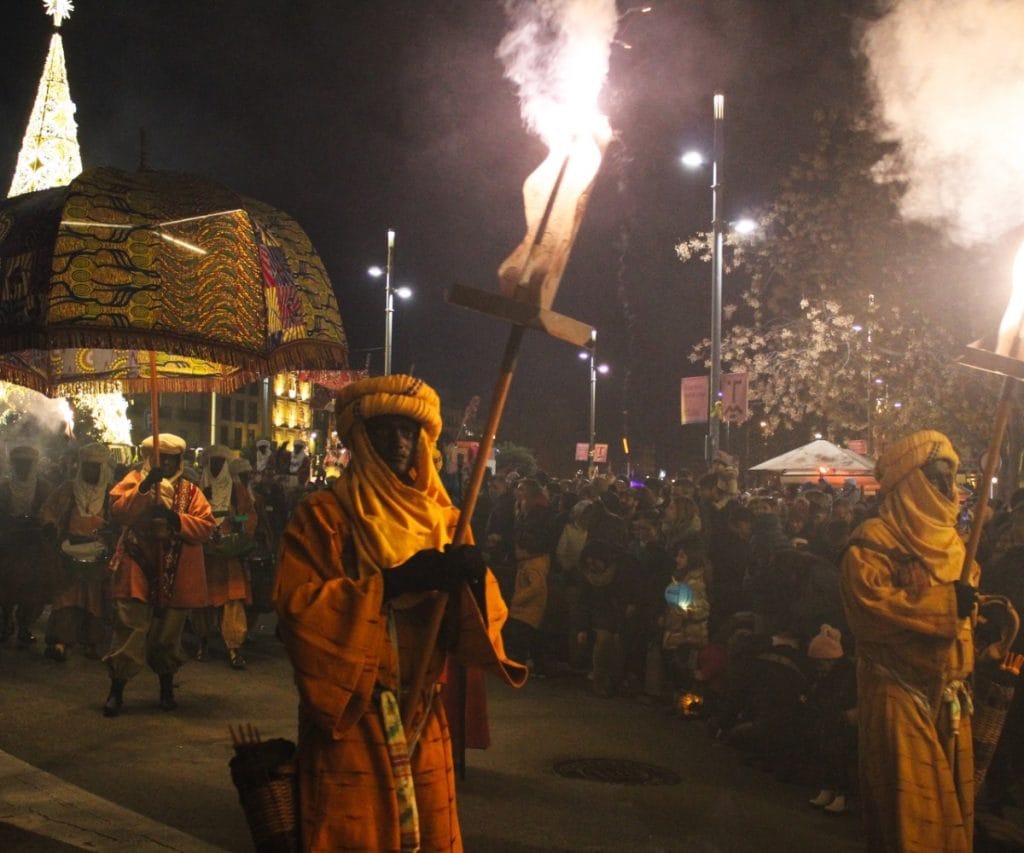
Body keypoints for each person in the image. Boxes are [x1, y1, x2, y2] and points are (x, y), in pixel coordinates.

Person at [273, 375, 525, 852]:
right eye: (385, 429)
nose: (398, 441)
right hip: (352, 719)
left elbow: (474, 631)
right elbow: (297, 612)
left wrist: (474, 579)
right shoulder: (323, 516)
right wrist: (391, 583)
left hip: (424, 716)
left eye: (409, 431)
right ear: (360, 439)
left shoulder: (449, 522)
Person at [840, 430, 978, 852]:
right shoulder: (873, 541)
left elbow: (964, 609)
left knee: (953, 816)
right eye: (936, 478)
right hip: (899, 691)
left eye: (950, 479)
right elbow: (871, 609)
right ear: (911, 481)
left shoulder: (954, 543)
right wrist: (945, 604)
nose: (947, 489)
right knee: (915, 822)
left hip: (950, 698)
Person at [102, 434, 215, 716]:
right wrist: (145, 488)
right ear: (150, 458)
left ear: (179, 460)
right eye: (159, 457)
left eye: (170, 458)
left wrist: (176, 520)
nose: (164, 462)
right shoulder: (133, 480)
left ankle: (166, 687)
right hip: (137, 562)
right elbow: (118, 512)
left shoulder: (191, 491)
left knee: (168, 635)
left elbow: (206, 526)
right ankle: (116, 690)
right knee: (130, 627)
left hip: (176, 568)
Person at [39, 442, 114, 662]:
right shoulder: (68, 489)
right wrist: (49, 524)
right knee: (65, 599)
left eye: (96, 467)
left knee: (95, 601)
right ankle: (61, 642)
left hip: (99, 556)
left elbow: (122, 518)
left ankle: (93, 643)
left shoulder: (112, 493)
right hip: (69, 554)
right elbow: (49, 510)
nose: (92, 471)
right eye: (88, 466)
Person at [193, 444, 254, 668]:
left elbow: (247, 518)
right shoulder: (197, 491)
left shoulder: (237, 491)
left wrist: (234, 519)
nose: (217, 467)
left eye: (221, 463)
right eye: (214, 463)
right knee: (203, 602)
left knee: (233, 600)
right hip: (205, 553)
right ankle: (202, 643)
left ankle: (235, 649)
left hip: (229, 554)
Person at [0, 445, 53, 648]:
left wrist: (42, 523)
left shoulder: (44, 488)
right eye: (19, 464)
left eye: (26, 464)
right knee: (6, 587)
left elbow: (50, 512)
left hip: (33, 546)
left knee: (33, 590)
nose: (23, 468)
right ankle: (6, 620)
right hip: (9, 544)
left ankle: (24, 625)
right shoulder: (4, 488)